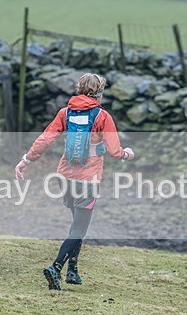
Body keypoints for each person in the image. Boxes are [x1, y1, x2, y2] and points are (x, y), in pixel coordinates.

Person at [15, 73, 135, 291]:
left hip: (65, 176)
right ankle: (56, 267)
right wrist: (127, 154)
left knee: (75, 225)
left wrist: (26, 160)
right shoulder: (102, 116)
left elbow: (45, 139)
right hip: (88, 181)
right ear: (99, 93)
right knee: (79, 229)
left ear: (80, 89)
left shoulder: (66, 113)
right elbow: (115, 151)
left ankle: (73, 271)